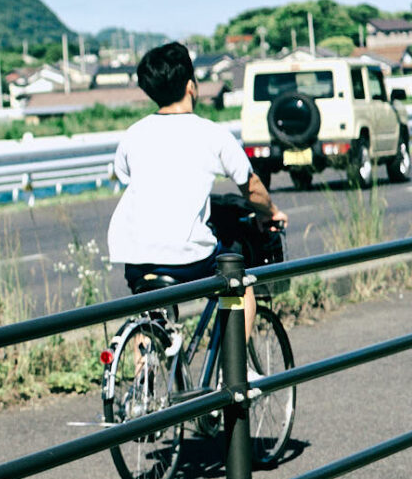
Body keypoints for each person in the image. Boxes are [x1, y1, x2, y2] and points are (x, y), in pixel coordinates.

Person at [107, 42, 286, 335]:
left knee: (149, 319)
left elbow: (127, 177)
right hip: (187, 257)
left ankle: (143, 377)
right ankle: (235, 377)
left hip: (135, 256)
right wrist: (271, 212)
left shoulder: (133, 135)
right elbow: (251, 187)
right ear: (191, 86)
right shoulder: (211, 134)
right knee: (241, 286)